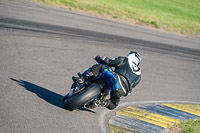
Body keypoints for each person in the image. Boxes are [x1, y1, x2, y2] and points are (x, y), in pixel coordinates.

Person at [72, 51, 141, 110]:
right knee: (114, 104)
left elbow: (109, 61)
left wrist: (99, 58)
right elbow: (133, 86)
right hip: (123, 90)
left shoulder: (124, 60)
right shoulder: (139, 75)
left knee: (101, 66)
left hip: (117, 78)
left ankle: (82, 78)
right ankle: (102, 102)